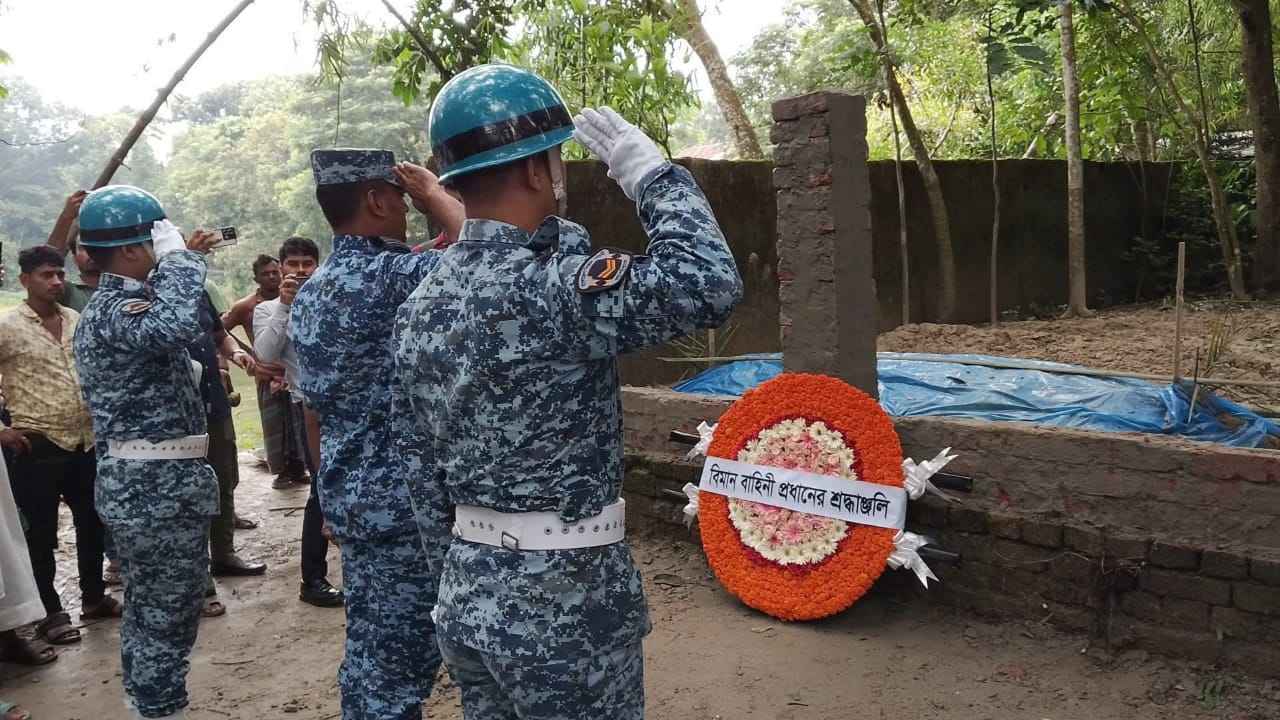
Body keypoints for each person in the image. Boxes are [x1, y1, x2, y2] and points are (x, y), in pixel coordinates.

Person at [394, 64, 743, 719]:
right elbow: (708, 284)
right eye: (553, 159)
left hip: (469, 593)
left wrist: (461, 576)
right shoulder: (552, 291)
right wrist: (651, 174)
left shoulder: (421, 303)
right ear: (534, 172)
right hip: (565, 603)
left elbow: (418, 470)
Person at [291, 148, 462, 719]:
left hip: (351, 491)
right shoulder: (391, 277)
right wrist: (438, 195)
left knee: (372, 644)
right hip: (402, 504)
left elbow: (313, 412)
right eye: (402, 195)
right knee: (394, 666)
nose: (410, 208)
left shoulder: (315, 290)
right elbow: (492, 252)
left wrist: (328, 493)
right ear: (378, 199)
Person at [72, 184, 223, 720]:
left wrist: (176, 265)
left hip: (155, 485)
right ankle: (160, 710)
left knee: (154, 610)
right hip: (151, 489)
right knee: (166, 613)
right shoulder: (116, 308)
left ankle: (151, 707)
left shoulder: (123, 304)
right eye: (158, 242)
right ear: (137, 249)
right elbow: (177, 323)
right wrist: (182, 258)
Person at [0, 246, 119, 647]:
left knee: (93, 522)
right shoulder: (8, 326)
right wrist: (1, 430)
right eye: (46, 275)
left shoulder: (74, 319)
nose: (55, 282)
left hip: (86, 440)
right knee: (42, 534)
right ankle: (49, 612)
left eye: (58, 275)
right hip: (37, 443)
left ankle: (94, 597)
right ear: (25, 281)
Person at [252, 236, 342, 608]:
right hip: (306, 407)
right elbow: (266, 353)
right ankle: (313, 578)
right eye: (294, 264)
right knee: (321, 491)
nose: (301, 271)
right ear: (282, 267)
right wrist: (286, 306)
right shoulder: (267, 309)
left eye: (308, 263)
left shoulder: (333, 298)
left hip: (342, 406)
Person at [189, 288, 265, 581]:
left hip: (214, 403)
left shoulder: (198, 294)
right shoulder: (149, 298)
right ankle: (198, 575)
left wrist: (235, 353)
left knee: (223, 478)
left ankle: (224, 554)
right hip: (177, 415)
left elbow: (220, 335)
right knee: (189, 492)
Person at [221, 256, 306, 489]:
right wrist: (243, 355)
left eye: (274, 272)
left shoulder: (299, 299)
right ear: (256, 278)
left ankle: (300, 468)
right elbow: (219, 330)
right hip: (267, 374)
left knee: (299, 423)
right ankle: (281, 472)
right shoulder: (246, 306)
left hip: (294, 373)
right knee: (275, 425)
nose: (271, 277)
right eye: (265, 274)